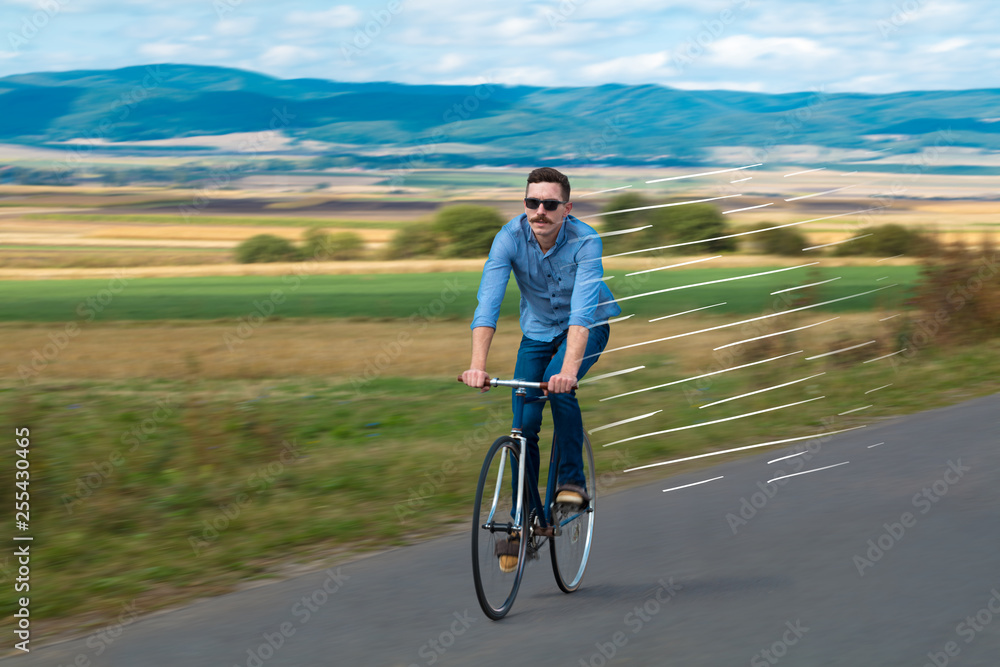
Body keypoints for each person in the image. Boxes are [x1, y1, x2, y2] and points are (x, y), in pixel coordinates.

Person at [460, 167, 620, 572]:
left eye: (550, 204)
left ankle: (572, 483)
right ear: (524, 205)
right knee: (524, 421)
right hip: (537, 331)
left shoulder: (586, 241)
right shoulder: (508, 239)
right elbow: (487, 306)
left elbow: (582, 316)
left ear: (567, 208)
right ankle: (522, 520)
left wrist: (566, 372)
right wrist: (477, 367)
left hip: (586, 328)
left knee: (557, 387)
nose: (540, 211)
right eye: (532, 203)